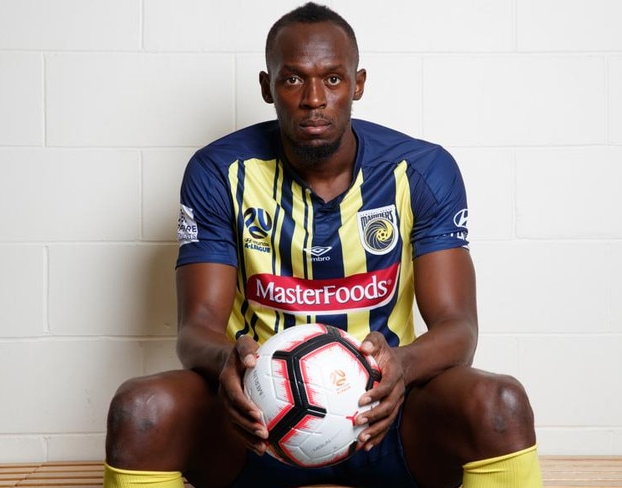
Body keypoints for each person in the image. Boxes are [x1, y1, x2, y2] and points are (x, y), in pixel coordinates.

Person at [103, 3, 543, 487]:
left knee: (501, 405)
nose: (314, 98)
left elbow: (459, 328)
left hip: (385, 415)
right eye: (293, 80)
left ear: (358, 84)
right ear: (267, 86)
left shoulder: (419, 170)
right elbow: (195, 328)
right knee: (139, 409)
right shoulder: (219, 172)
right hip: (256, 422)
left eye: (333, 79)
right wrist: (227, 361)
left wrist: (402, 366)